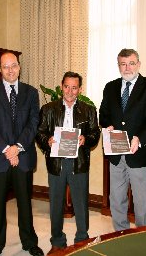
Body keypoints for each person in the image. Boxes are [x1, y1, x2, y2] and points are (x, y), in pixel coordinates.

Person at [0, 52, 44, 256]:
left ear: (19, 67)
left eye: (13, 65)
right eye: (5, 66)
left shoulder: (31, 92)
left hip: (23, 156)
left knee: (25, 202)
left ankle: (29, 242)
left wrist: (17, 147)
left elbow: (33, 123)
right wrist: (7, 149)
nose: (10, 70)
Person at [36, 71, 100, 255]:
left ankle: (81, 239)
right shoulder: (49, 109)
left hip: (78, 163)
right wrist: (46, 140)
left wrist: (85, 140)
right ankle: (57, 241)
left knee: (80, 203)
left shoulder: (88, 110)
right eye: (66, 87)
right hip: (56, 163)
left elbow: (95, 134)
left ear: (80, 89)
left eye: (74, 88)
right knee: (56, 203)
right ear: (62, 86)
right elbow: (39, 132)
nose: (70, 91)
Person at [99, 48, 146, 230]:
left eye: (131, 63)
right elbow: (103, 114)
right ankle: (120, 235)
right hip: (116, 155)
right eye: (123, 64)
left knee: (143, 203)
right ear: (118, 65)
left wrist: (140, 138)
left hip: (140, 154)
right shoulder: (110, 87)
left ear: (139, 64)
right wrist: (107, 125)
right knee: (117, 199)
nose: (127, 68)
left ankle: (143, 238)